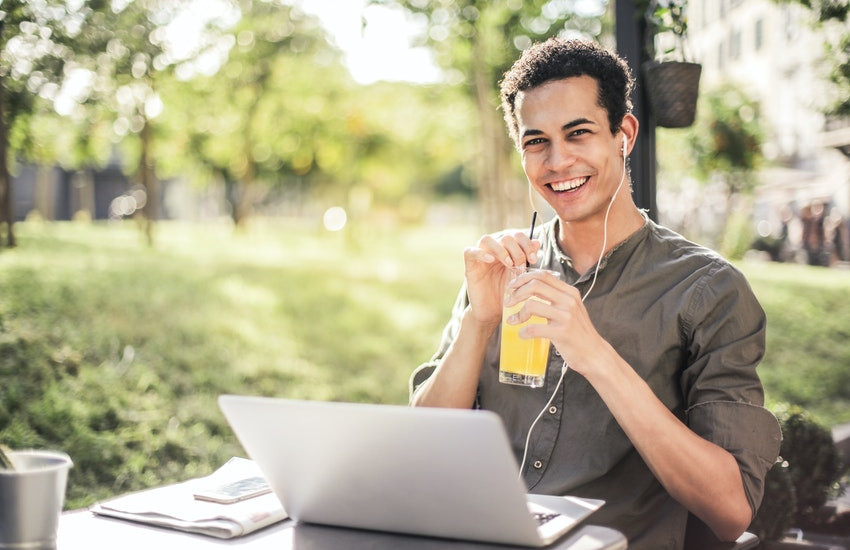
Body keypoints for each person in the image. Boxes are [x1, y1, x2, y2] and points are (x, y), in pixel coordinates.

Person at [409, 38, 781, 550]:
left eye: (577, 133)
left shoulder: (707, 290)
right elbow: (421, 448)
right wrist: (479, 320)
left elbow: (730, 511)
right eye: (536, 141)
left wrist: (594, 355)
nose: (558, 161)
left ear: (622, 135)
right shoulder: (502, 269)